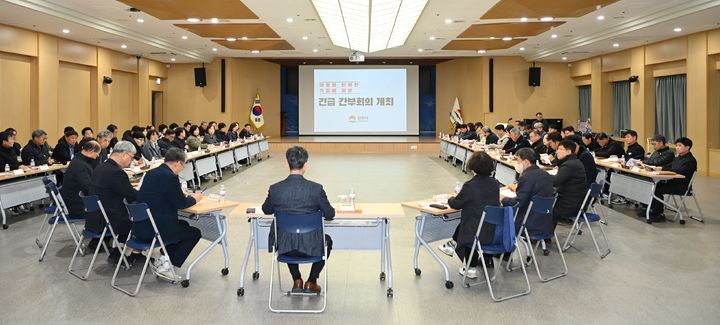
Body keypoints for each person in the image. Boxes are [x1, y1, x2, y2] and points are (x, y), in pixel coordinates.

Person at [262, 146, 335, 294]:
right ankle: (311, 282)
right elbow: (329, 214)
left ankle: (297, 280)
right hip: (312, 247)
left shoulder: (275, 189)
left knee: (288, 237)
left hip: (284, 247)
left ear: (287, 163)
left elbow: (266, 210)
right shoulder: (316, 189)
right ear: (305, 164)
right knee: (327, 241)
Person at [137, 148, 202, 280]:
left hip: (141, 225)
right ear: (177, 163)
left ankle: (163, 259)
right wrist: (195, 198)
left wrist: (178, 194)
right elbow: (181, 203)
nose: (182, 169)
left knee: (183, 224)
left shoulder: (152, 172)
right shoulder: (169, 177)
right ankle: (168, 265)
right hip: (156, 228)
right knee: (194, 233)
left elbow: (162, 194)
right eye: (183, 166)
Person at [439, 152, 500, 278]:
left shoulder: (470, 185)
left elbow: (456, 204)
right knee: (469, 220)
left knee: (467, 226)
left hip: (475, 232)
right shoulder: (495, 184)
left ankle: (470, 268)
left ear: (472, 167)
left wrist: (450, 198)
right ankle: (451, 244)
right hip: (492, 228)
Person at [87, 141, 144, 265]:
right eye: (131, 157)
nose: (131, 161)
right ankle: (132, 254)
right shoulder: (116, 172)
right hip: (108, 218)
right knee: (142, 218)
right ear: (124, 154)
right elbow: (130, 195)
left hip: (96, 215)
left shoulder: (101, 167)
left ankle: (119, 252)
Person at [502, 148, 555, 235]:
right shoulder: (545, 174)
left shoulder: (526, 177)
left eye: (518, 161)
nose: (517, 164)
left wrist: (504, 198)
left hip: (528, 220)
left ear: (526, 162)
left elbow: (519, 203)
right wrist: (518, 189)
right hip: (545, 220)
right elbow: (535, 192)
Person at [646, 137, 697, 222]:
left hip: (681, 186)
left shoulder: (690, 160)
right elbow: (669, 167)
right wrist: (657, 168)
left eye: (679, 145)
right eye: (676, 145)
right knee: (650, 185)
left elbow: (680, 171)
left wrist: (662, 170)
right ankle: (649, 210)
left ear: (687, 147)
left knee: (656, 189)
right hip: (672, 182)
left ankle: (658, 214)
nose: (677, 147)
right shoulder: (677, 158)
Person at [60, 141, 101, 219]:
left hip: (75, 200)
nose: (97, 156)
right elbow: (88, 188)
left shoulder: (79, 159)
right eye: (97, 153)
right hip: (77, 206)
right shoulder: (81, 165)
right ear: (91, 152)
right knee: (110, 207)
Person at [552, 141, 588, 227]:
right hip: (575, 201)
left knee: (543, 207)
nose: (557, 152)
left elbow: (555, 182)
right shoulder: (574, 161)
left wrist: (542, 176)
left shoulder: (569, 165)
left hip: (570, 205)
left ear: (568, 152)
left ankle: (544, 237)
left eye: (560, 149)